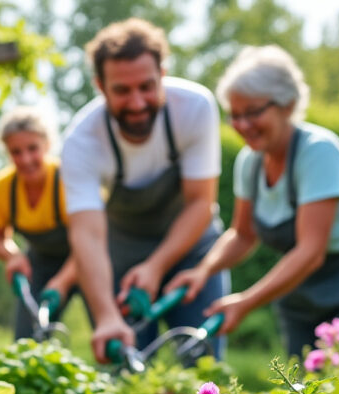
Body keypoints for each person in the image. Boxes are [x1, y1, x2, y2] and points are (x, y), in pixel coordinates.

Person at [163, 45, 339, 356]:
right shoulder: (249, 163)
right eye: (235, 115)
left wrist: (246, 301)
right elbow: (242, 234)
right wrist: (204, 270)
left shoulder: (319, 151)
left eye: (253, 112)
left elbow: (311, 252)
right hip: (301, 293)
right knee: (308, 393)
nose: (242, 125)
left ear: (288, 105)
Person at [61, 18, 230, 363]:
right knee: (129, 372)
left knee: (203, 365)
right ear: (100, 86)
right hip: (122, 259)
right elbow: (88, 236)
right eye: (122, 91)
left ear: (163, 75)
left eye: (147, 87)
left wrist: (156, 266)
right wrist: (107, 315)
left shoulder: (196, 108)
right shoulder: (81, 141)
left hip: (192, 250)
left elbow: (201, 203)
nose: (137, 102)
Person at [0, 107, 78, 339]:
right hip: (39, 263)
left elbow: (93, 240)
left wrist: (63, 281)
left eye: (32, 149)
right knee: (27, 339)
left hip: (88, 259)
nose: (25, 159)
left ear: (46, 145)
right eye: (16, 152)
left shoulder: (69, 179)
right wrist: (14, 255)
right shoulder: (2, 188)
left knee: (109, 329)